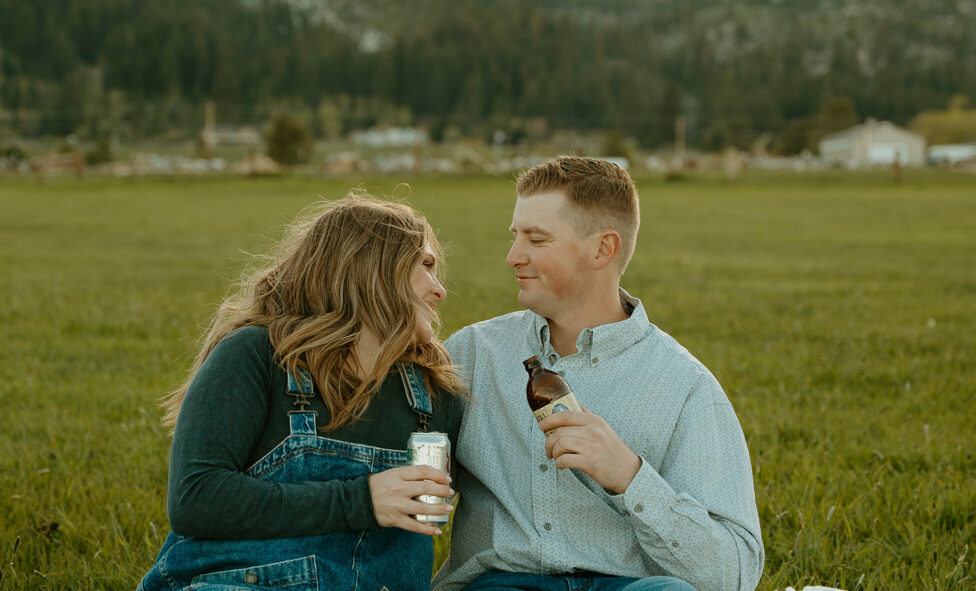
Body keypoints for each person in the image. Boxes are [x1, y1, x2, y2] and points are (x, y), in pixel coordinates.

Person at [434, 157, 764, 591]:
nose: (513, 257)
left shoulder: (685, 386)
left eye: (537, 239)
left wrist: (629, 476)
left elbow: (734, 575)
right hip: (500, 583)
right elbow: (409, 483)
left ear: (603, 249)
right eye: (516, 237)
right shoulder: (473, 354)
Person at [138, 194, 466, 591]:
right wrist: (360, 501)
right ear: (371, 269)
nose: (439, 290)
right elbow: (197, 498)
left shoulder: (432, 395)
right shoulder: (257, 355)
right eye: (426, 266)